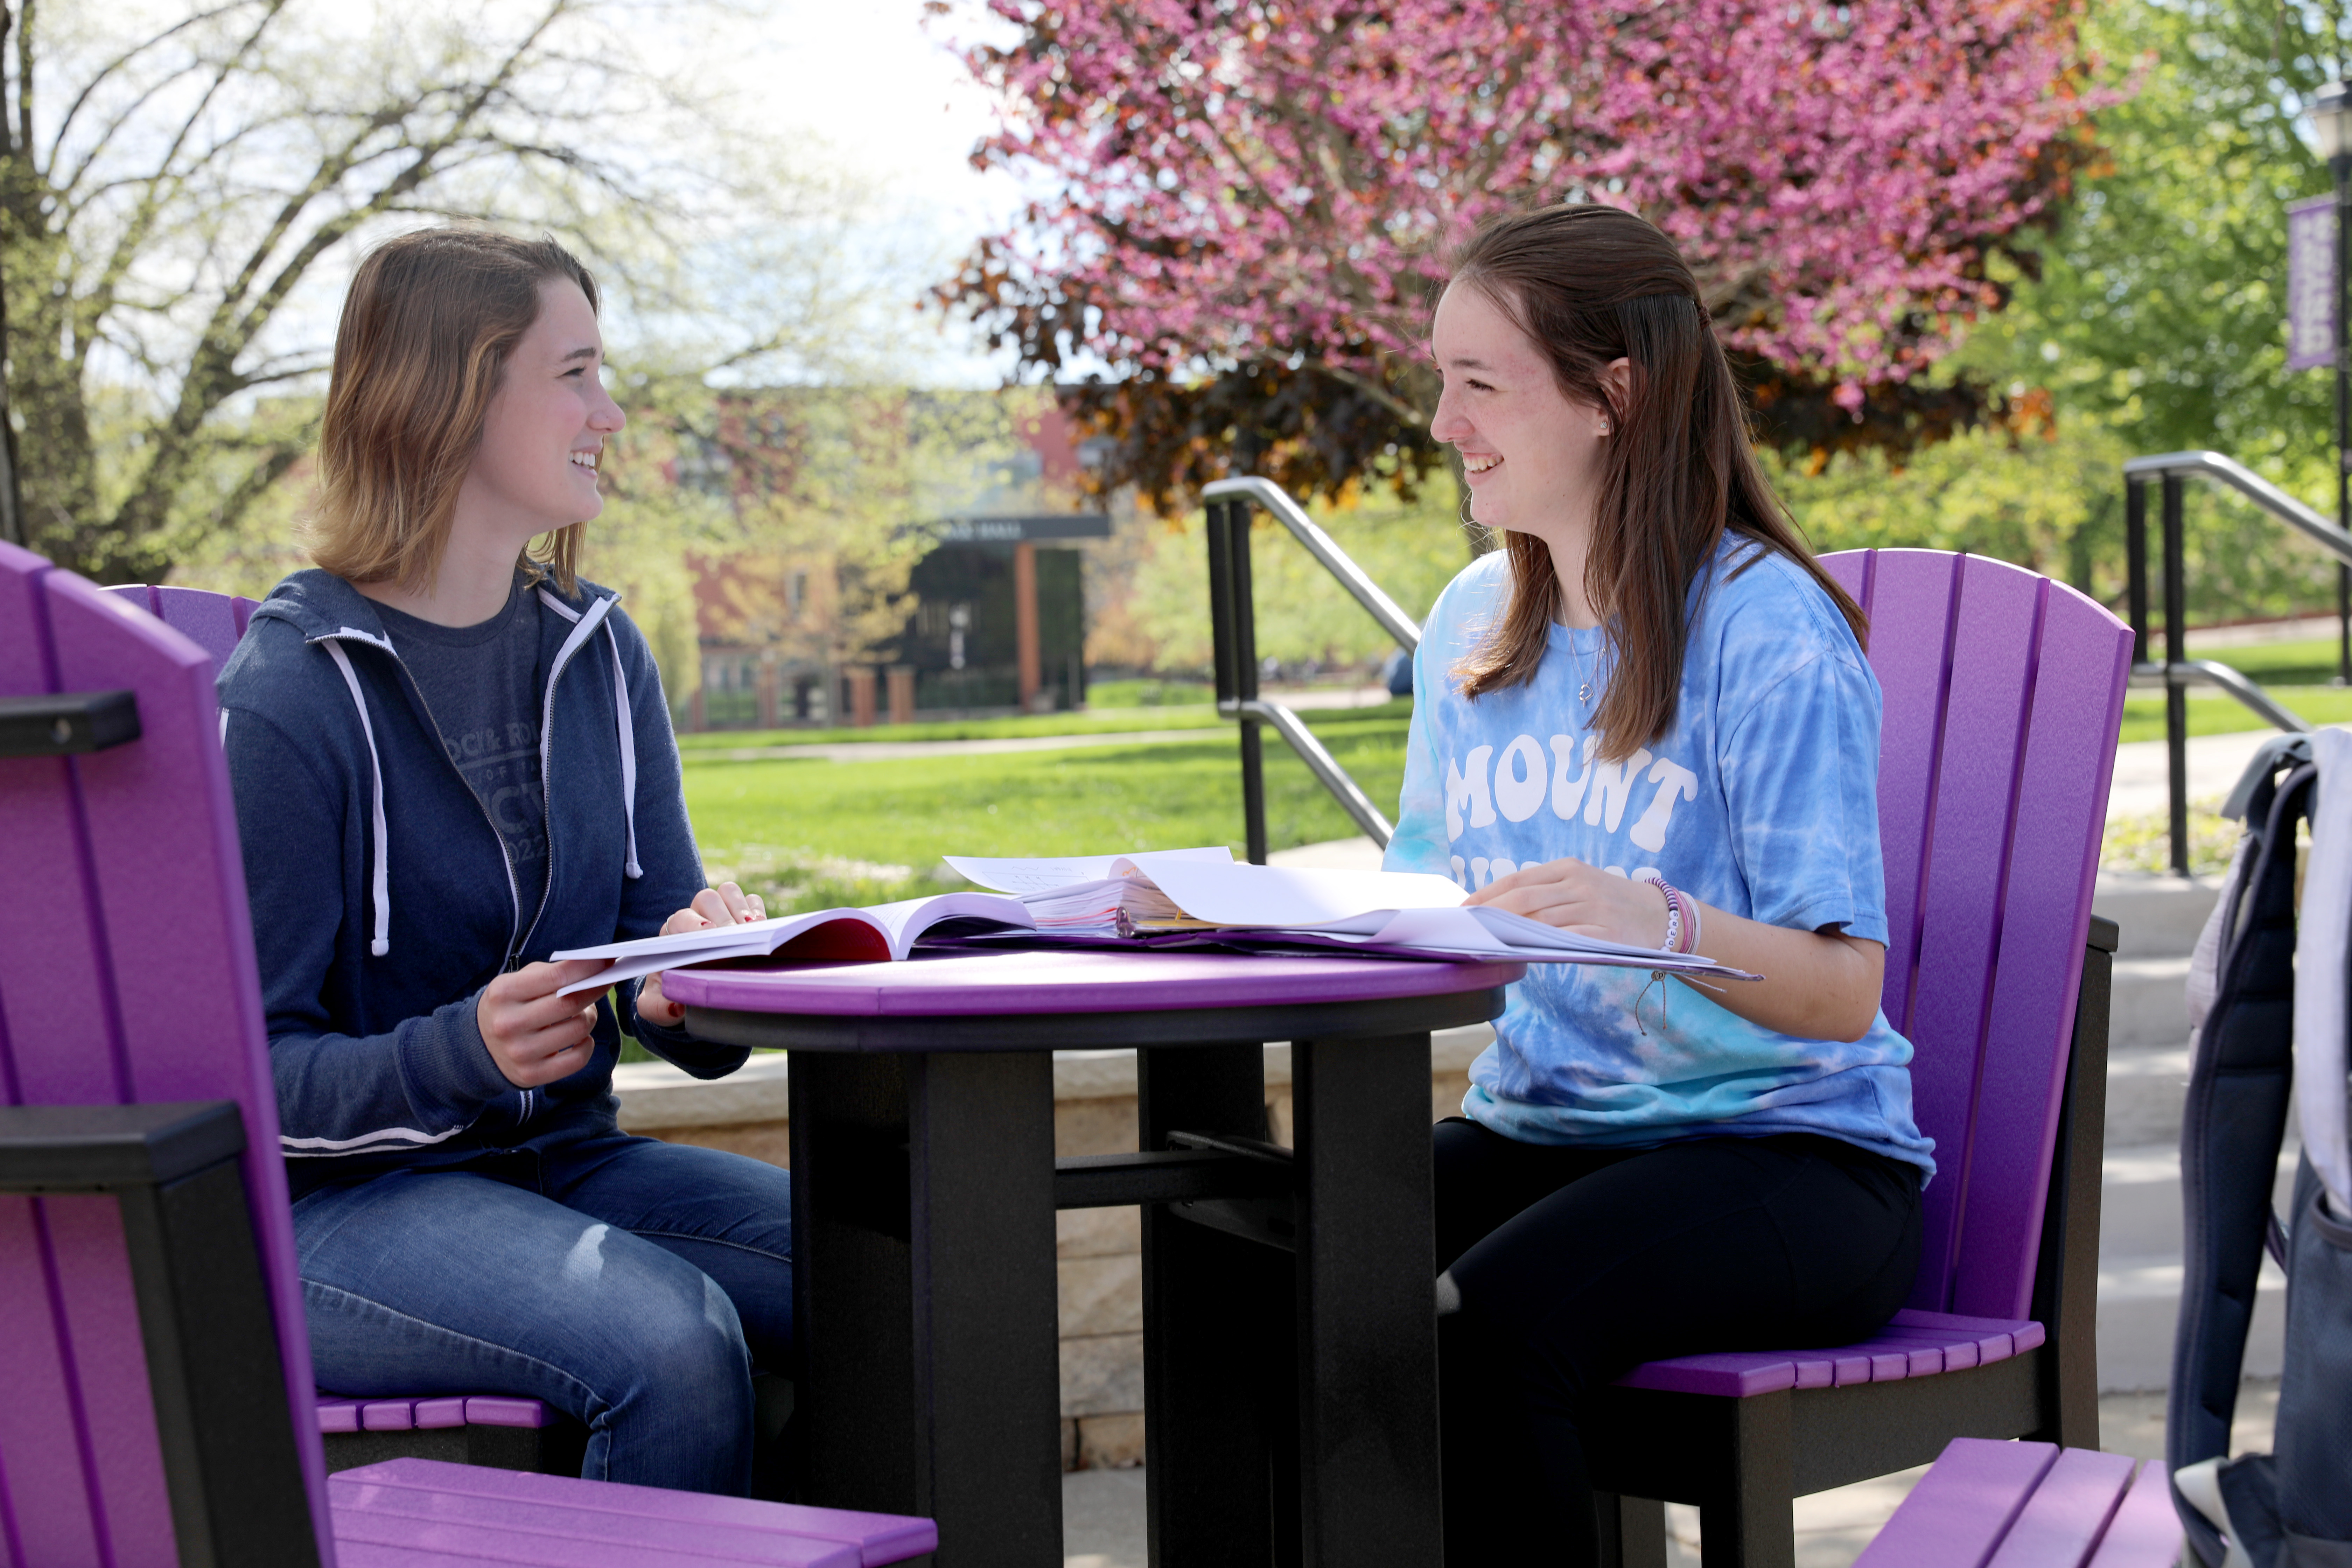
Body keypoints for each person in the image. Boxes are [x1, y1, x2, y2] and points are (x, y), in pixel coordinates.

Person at [1384, 204, 1935, 1564]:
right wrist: (1240, 929)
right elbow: (1414, 910)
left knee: (1486, 1330)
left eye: (1479, 383)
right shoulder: (1471, 627)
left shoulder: (1767, 632)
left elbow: (1843, 990)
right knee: (1278, 1267)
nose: (1442, 421)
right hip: (1546, 1134)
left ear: (1613, 394)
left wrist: (1669, 926)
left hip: (1791, 1159)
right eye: (1439, 378)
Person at [218, 227, 792, 1496]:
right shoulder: (293, 695)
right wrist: (460, 1055)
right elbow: (244, 1078)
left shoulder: (597, 650)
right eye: (576, 374)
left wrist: (694, 973)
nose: (614, 412)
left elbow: (650, 944)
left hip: (568, 1159)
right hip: (340, 1214)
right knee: (669, 1343)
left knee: (892, 1276)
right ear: (456, 395)